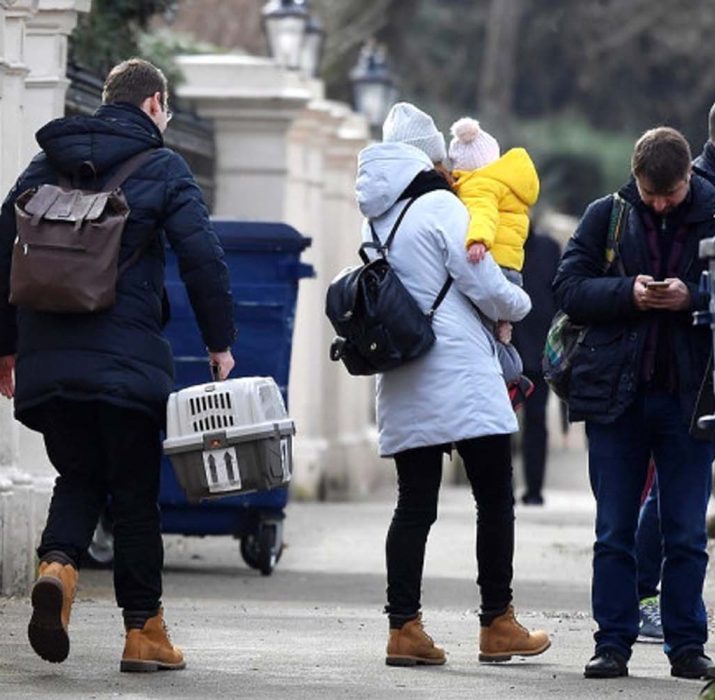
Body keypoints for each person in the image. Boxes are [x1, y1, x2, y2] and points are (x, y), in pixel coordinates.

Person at [0, 58, 236, 671]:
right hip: (128, 362)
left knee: (77, 475)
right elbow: (202, 258)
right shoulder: (162, 167)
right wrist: (220, 341)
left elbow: (2, 250)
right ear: (155, 104)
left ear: (107, 99)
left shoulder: (46, 162)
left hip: (49, 359)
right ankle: (143, 634)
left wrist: (6, 347)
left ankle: (57, 568)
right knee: (133, 493)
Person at [372, 101, 550, 666]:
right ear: (428, 158)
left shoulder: (375, 217)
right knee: (495, 496)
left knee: (414, 503)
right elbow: (484, 281)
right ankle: (497, 622)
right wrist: (519, 304)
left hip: (405, 369)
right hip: (461, 370)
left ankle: (404, 628)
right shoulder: (440, 209)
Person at [553, 126, 715, 680]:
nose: (661, 204)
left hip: (690, 397)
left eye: (669, 195)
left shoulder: (712, 213)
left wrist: (693, 296)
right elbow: (568, 287)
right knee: (614, 529)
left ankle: (687, 644)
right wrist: (630, 293)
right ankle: (612, 643)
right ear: (635, 177)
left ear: (689, 176)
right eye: (651, 195)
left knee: (687, 531)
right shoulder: (609, 214)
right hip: (616, 399)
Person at [511, 225, 561, 505]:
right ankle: (504, 488)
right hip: (505, 353)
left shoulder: (548, 247)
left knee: (536, 422)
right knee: (501, 426)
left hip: (539, 352)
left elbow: (558, 297)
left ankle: (534, 490)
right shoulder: (497, 244)